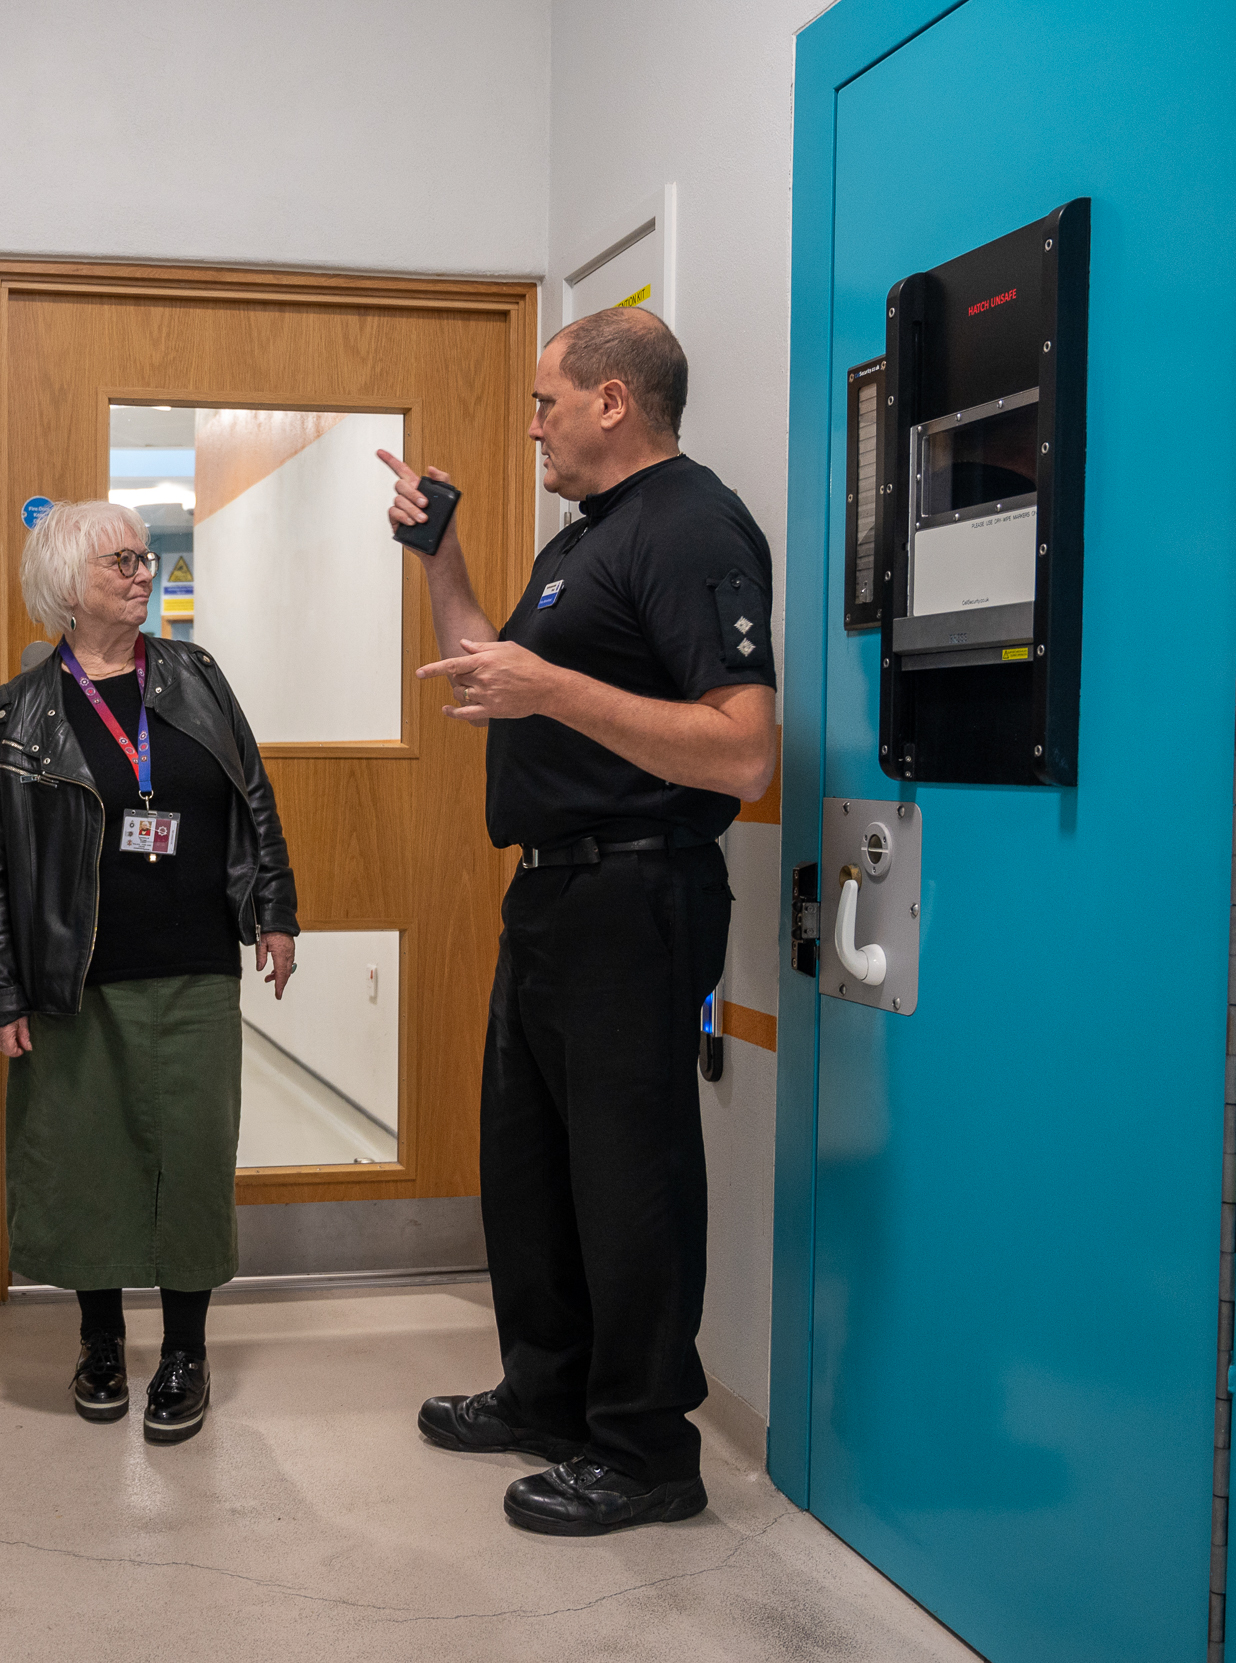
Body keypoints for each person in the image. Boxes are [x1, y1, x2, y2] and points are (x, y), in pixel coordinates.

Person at [382, 307, 777, 1535]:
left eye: (548, 402)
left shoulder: (693, 525)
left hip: (640, 888)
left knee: (629, 1174)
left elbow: (746, 753)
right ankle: (549, 1396)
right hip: (555, 889)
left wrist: (550, 682)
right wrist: (440, 562)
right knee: (534, 1165)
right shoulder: (584, 538)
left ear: (615, 401)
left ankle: (649, 1448)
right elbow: (486, 679)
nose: (535, 425)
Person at [0, 501, 298, 1445]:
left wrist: (276, 910)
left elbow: (252, 798)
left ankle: (185, 1350)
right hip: (74, 977)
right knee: (87, 1163)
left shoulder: (195, 675)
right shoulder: (12, 715)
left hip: (195, 964)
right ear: (69, 584)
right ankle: (101, 1339)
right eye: (123, 561)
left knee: (192, 1158)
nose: (145, 574)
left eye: (147, 559)